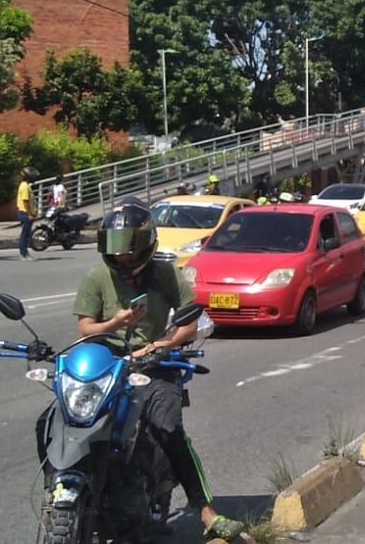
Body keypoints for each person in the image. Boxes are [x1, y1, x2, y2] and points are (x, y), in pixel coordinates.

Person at [69, 199, 244, 541]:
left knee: (168, 428)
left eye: (127, 247)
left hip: (154, 364)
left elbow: (190, 324)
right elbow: (85, 328)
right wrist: (115, 322)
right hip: (107, 366)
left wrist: (159, 346)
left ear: (145, 243)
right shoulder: (96, 276)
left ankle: (207, 513)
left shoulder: (166, 273)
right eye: (114, 247)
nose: (120, 255)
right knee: (60, 418)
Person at [16, 167, 38, 260]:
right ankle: (23, 254)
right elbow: (25, 201)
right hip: (25, 213)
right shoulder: (24, 186)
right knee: (25, 234)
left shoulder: (26, 185)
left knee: (26, 233)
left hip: (26, 212)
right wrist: (29, 214)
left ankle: (25, 252)